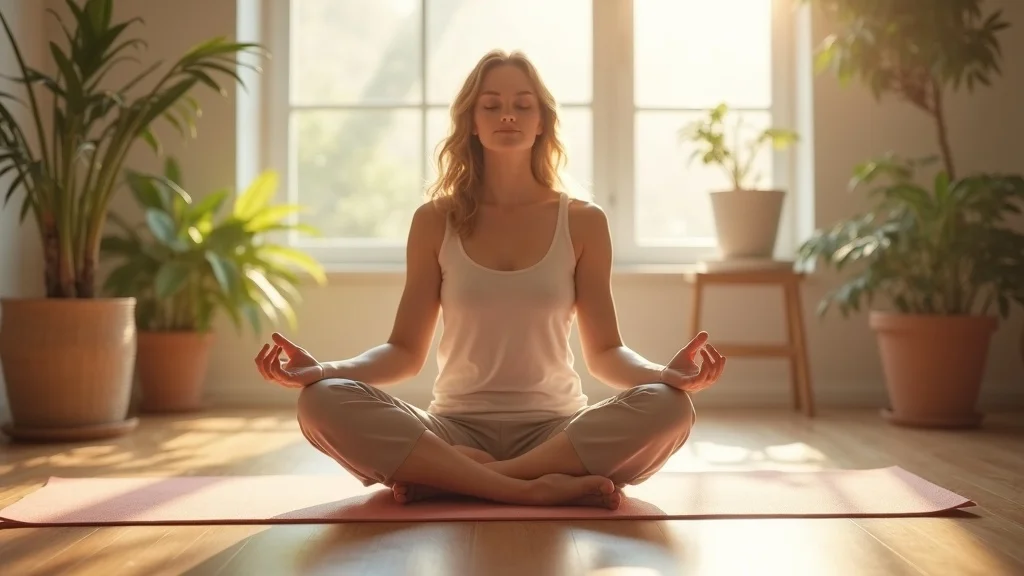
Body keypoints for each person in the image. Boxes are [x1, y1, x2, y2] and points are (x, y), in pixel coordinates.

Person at [254, 49, 726, 510]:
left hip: (558, 433)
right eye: (492, 105)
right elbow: (403, 353)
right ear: (471, 121)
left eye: (523, 105)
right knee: (320, 402)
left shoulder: (583, 221)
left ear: (542, 121)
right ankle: (528, 489)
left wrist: (663, 375)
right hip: (453, 431)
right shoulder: (434, 220)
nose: (508, 115)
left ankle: (457, 481)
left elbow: (605, 353)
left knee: (671, 408)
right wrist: (326, 371)